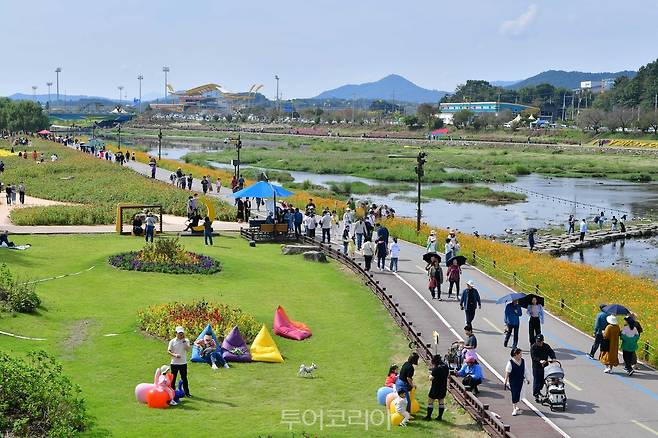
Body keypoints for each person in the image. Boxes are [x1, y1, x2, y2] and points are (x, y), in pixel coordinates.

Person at [504, 348, 529, 416]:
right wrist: (505, 380)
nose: (521, 355)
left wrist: (527, 378)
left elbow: (525, 370)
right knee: (514, 393)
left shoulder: (523, 361)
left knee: (519, 393)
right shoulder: (510, 362)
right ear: (516, 355)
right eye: (520, 354)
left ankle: (516, 405)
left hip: (521, 380)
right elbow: (508, 371)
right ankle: (514, 408)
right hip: (513, 381)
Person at [530, 334, 556, 400]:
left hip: (545, 367)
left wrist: (553, 358)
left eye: (540, 341)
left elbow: (551, 352)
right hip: (537, 367)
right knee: (537, 380)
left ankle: (539, 391)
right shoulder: (533, 347)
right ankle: (536, 394)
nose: (539, 343)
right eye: (538, 341)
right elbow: (533, 357)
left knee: (542, 381)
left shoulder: (546, 346)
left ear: (543, 341)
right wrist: (540, 361)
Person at [168, 326, 191, 397]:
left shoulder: (186, 340)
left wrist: (184, 342)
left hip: (183, 363)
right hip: (174, 363)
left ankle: (187, 393)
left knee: (184, 378)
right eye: (179, 333)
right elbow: (169, 351)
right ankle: (172, 393)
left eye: (182, 333)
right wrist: (175, 355)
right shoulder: (172, 341)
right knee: (173, 378)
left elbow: (187, 350)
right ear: (176, 333)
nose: (181, 335)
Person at [425, 354, 449, 421]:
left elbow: (431, 378)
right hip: (443, 386)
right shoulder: (445, 367)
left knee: (430, 401)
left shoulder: (436, 369)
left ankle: (428, 416)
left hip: (435, 387)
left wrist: (430, 373)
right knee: (441, 401)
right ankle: (439, 417)